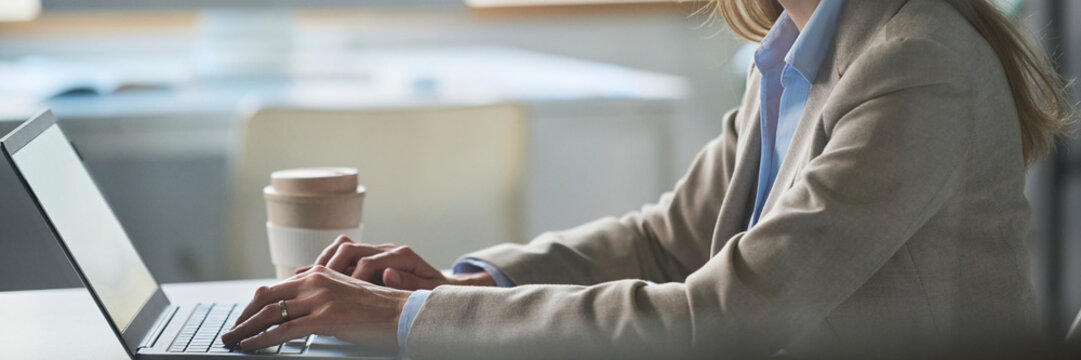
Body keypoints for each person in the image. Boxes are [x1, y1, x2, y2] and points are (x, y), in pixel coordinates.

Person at [221, 0, 1076, 358]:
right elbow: (667, 240)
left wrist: (412, 316)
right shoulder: (794, 48)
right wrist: (475, 279)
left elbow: (726, 313)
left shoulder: (914, 62)